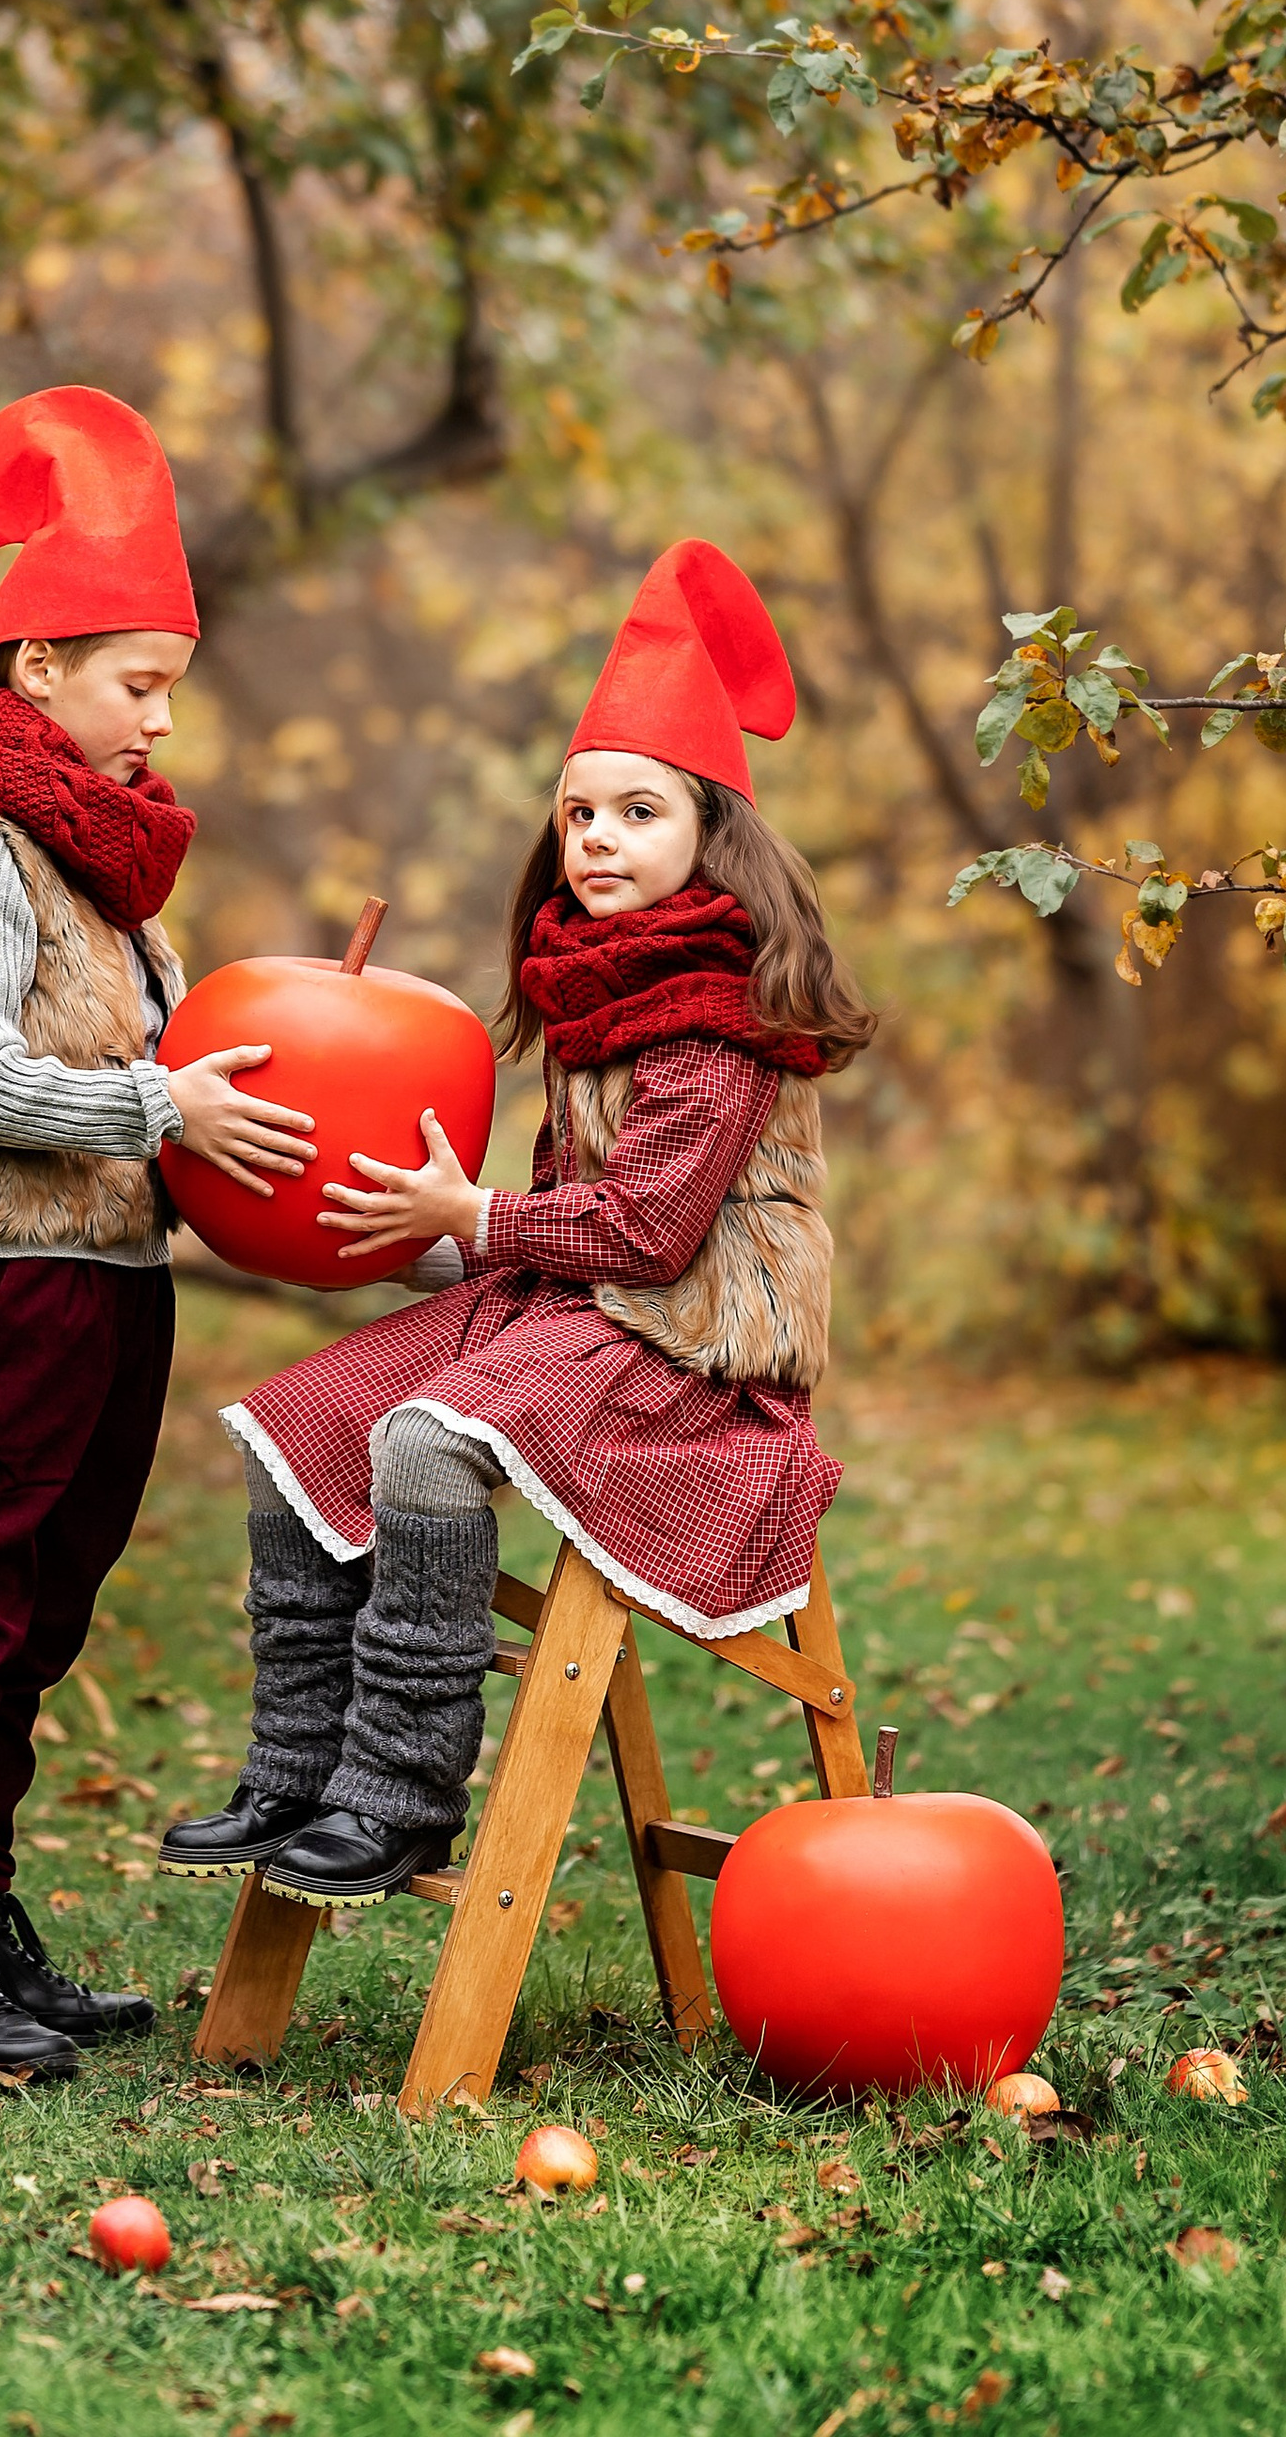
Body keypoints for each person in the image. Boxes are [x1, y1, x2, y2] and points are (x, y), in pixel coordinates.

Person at [159, 539, 875, 1909]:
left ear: (711, 839)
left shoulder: (718, 1015)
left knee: (429, 1441)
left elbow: (653, 1232)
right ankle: (299, 1766)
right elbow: (555, 1222)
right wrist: (399, 1231)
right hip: (576, 1310)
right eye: (578, 814)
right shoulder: (596, 989)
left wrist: (471, 1214)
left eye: (636, 813)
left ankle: (401, 1794)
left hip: (687, 1345)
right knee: (296, 1423)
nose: (595, 839)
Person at [0, 385, 315, 2076]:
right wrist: (160, 1109)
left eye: (174, 693)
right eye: (141, 685)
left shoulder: (103, 871)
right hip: (7, 1291)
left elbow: (151, 1077)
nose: (162, 728)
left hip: (114, 1290)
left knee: (43, 1618)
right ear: (35, 668)